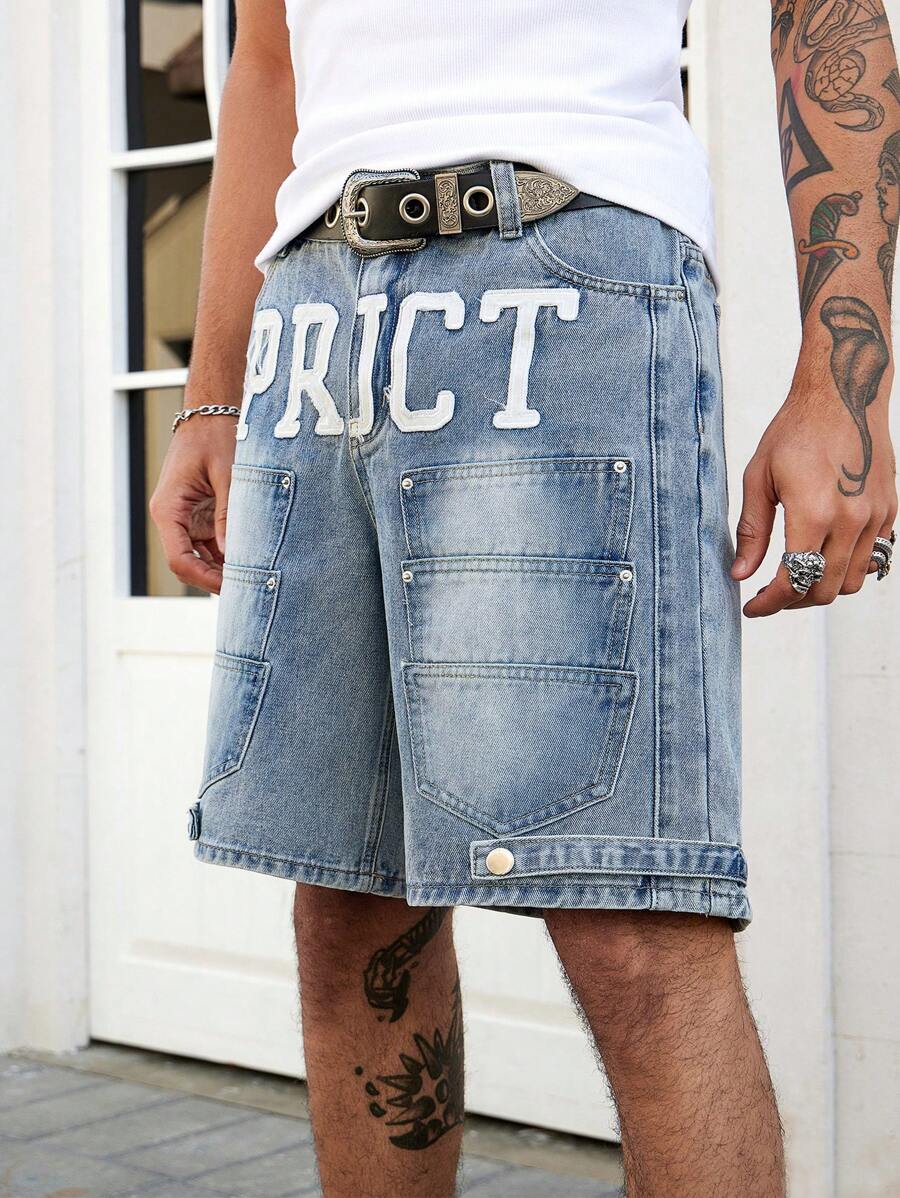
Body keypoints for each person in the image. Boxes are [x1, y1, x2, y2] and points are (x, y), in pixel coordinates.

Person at [150, 2, 898, 1195]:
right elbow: (269, 57)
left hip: (567, 261)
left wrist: (843, 383)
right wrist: (214, 390)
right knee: (349, 913)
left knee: (632, 926)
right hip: (312, 305)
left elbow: (825, 16)